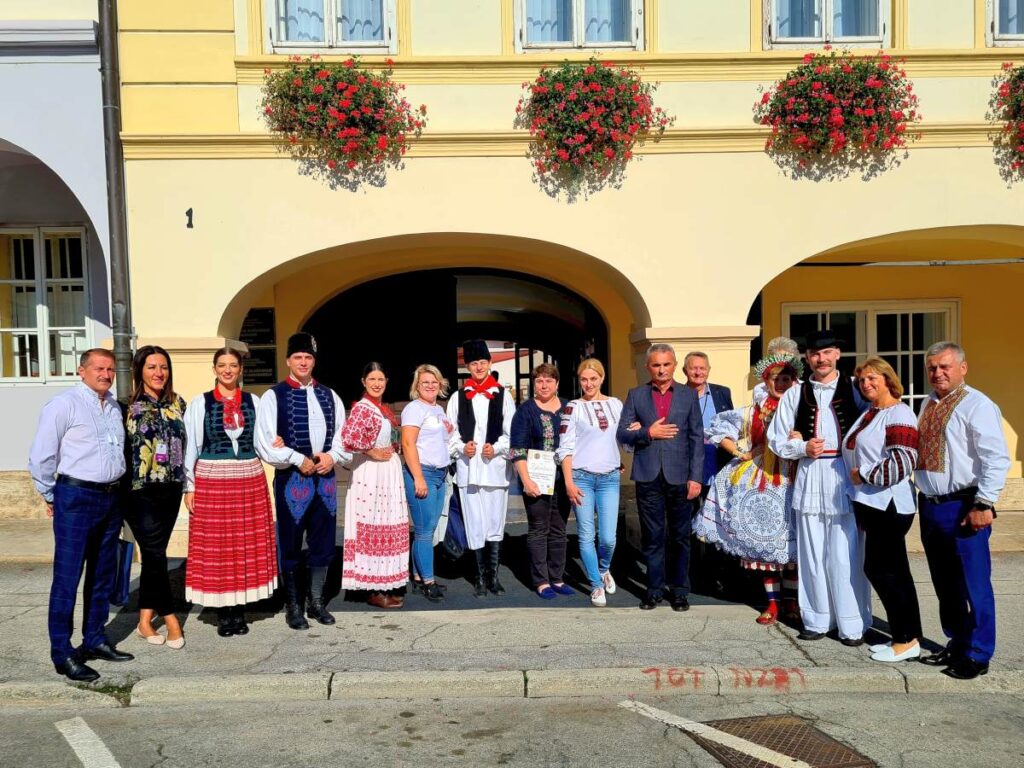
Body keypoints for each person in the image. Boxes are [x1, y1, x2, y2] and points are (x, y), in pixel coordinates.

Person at [29, 348, 133, 681]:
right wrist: (50, 494)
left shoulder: (114, 407)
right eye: (99, 368)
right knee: (67, 577)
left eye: (110, 369)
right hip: (76, 496)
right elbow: (42, 455)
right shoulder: (63, 405)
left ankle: (94, 639)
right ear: (81, 370)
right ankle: (62, 651)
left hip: (110, 497)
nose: (105, 374)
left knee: (102, 575)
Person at [768, 330, 871, 645]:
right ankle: (816, 619)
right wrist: (802, 450)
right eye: (814, 354)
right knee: (812, 552)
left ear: (838, 354)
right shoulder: (795, 395)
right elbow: (776, 438)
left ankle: (852, 624)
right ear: (807, 358)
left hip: (845, 475)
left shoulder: (857, 390)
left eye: (827, 353)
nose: (821, 359)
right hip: (811, 473)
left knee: (846, 552)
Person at [915, 342, 1010, 680]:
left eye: (944, 367)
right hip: (931, 505)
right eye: (932, 368)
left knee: (974, 584)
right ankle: (958, 641)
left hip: (965, 504)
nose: (937, 373)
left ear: (962, 368)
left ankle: (979, 653)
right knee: (946, 583)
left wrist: (984, 503)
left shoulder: (977, 405)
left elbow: (995, 458)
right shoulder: (928, 403)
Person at [694, 355, 802, 625]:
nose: (780, 383)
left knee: (795, 543)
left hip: (795, 478)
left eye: (786, 378)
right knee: (764, 541)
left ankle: (792, 601)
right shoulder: (754, 410)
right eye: (775, 378)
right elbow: (719, 429)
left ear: (794, 381)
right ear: (766, 380)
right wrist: (740, 452)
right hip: (762, 478)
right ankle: (774, 603)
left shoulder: (804, 408)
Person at [256, 332, 349, 630]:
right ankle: (293, 605)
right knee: (291, 542)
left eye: (308, 357)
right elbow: (266, 443)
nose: (303, 362)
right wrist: (298, 458)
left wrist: (331, 457)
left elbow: (342, 437)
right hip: (291, 479)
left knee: (323, 542)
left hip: (324, 479)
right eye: (298, 357)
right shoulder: (274, 396)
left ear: (314, 361)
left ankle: (317, 601)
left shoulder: (330, 395)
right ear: (288, 361)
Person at [184, 347, 278, 637]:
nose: (227, 370)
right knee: (219, 546)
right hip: (212, 479)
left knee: (243, 545)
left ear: (240, 370)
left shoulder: (254, 401)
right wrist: (190, 486)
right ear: (214, 369)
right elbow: (192, 447)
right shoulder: (200, 403)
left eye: (233, 365)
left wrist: (281, 449)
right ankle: (223, 612)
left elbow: (263, 441)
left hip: (249, 477)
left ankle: (239, 610)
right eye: (222, 365)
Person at [842, 357, 923, 663]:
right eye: (862, 380)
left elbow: (902, 461)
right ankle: (907, 636)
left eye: (873, 378)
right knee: (893, 570)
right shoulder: (872, 412)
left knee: (884, 570)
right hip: (873, 504)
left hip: (889, 504)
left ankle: (905, 639)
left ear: (889, 379)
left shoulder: (899, 413)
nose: (866, 384)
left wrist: (863, 474)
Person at [617, 343, 704, 612]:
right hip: (648, 474)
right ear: (648, 367)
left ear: (674, 365)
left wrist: (695, 478)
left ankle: (679, 591)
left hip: (680, 476)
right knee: (653, 536)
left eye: (666, 364)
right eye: (656, 365)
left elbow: (696, 438)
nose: (662, 369)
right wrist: (647, 433)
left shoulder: (688, 396)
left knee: (680, 537)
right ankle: (653, 590)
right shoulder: (636, 395)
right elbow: (622, 434)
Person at [122, 345, 187, 649]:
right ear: (139, 371)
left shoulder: (179, 404)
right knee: (156, 554)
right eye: (151, 367)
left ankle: (144, 621)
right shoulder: (125, 406)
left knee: (153, 556)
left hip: (170, 489)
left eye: (163, 367)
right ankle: (171, 617)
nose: (159, 373)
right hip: (138, 492)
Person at [446, 339, 515, 597]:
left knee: (495, 521)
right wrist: (462, 448)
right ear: (467, 366)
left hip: (495, 470)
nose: (478, 367)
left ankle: (493, 575)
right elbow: (450, 433)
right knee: (474, 522)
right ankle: (478, 576)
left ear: (490, 363)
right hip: (469, 470)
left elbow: (512, 432)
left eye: (482, 362)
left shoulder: (504, 395)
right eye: (473, 363)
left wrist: (495, 448)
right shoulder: (457, 397)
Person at [340, 363, 410, 609]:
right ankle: (372, 587)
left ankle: (385, 582)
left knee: (387, 522)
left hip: (388, 471)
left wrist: (394, 447)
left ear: (386, 381)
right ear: (363, 381)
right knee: (372, 521)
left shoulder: (384, 410)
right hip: (371, 474)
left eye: (381, 379)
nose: (377, 383)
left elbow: (391, 438)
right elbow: (348, 438)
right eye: (372, 379)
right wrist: (370, 451)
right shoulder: (362, 408)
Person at [557, 359, 624, 607]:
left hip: (609, 477)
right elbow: (565, 448)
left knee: (608, 537)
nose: (588, 384)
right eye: (584, 379)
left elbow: (623, 438)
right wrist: (568, 482)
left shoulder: (616, 405)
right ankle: (596, 585)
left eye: (593, 379)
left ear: (602, 379)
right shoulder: (573, 407)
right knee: (586, 535)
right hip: (581, 477)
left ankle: (604, 569)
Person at [511, 364, 574, 600]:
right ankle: (541, 581)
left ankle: (557, 577)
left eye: (549, 380)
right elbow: (516, 448)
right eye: (539, 381)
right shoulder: (526, 411)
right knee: (539, 528)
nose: (544, 385)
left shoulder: (569, 407)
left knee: (559, 528)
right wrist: (526, 480)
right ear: (534, 385)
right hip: (536, 479)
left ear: (557, 383)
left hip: (563, 478)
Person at [682, 351, 734, 596]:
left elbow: (732, 426)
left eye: (702, 368)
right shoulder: (679, 395)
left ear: (709, 370)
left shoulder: (722, 393)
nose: (698, 372)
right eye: (693, 368)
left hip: (718, 468)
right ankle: (693, 576)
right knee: (690, 524)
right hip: (689, 470)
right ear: (685, 371)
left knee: (717, 525)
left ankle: (718, 577)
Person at [401, 364, 455, 602]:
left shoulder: (438, 409)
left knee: (429, 529)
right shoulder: (414, 409)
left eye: (434, 382)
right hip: (422, 473)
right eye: (425, 383)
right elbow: (408, 444)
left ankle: (418, 576)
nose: (430, 386)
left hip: (440, 474)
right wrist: (419, 478)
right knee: (424, 531)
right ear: (417, 386)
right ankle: (429, 581)